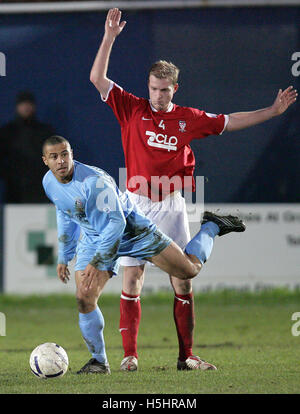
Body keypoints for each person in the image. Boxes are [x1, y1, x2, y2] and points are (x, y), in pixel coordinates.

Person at [90, 8, 297, 372]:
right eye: (153, 88)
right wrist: (109, 38)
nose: (156, 95)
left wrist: (272, 110)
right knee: (132, 277)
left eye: (164, 89)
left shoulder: (187, 118)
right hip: (136, 205)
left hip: (170, 206)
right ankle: (129, 356)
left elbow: (230, 122)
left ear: (175, 89)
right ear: (147, 86)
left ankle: (186, 357)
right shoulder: (131, 108)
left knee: (184, 280)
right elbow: (97, 77)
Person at [42, 135, 245, 374]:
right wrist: (64, 256)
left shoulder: (94, 183)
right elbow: (66, 213)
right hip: (95, 236)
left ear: (72, 153)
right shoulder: (49, 182)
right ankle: (99, 361)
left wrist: (97, 262)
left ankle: (212, 226)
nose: (61, 161)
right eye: (54, 157)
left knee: (189, 270)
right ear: (45, 160)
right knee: (84, 297)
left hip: (133, 231)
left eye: (65, 154)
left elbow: (116, 224)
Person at [0, 91, 55, 203]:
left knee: (40, 220)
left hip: (41, 189)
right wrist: (9, 176)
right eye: (22, 104)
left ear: (34, 107)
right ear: (17, 107)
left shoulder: (45, 132)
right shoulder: (6, 132)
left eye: (29, 104)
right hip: (14, 190)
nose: (26, 107)